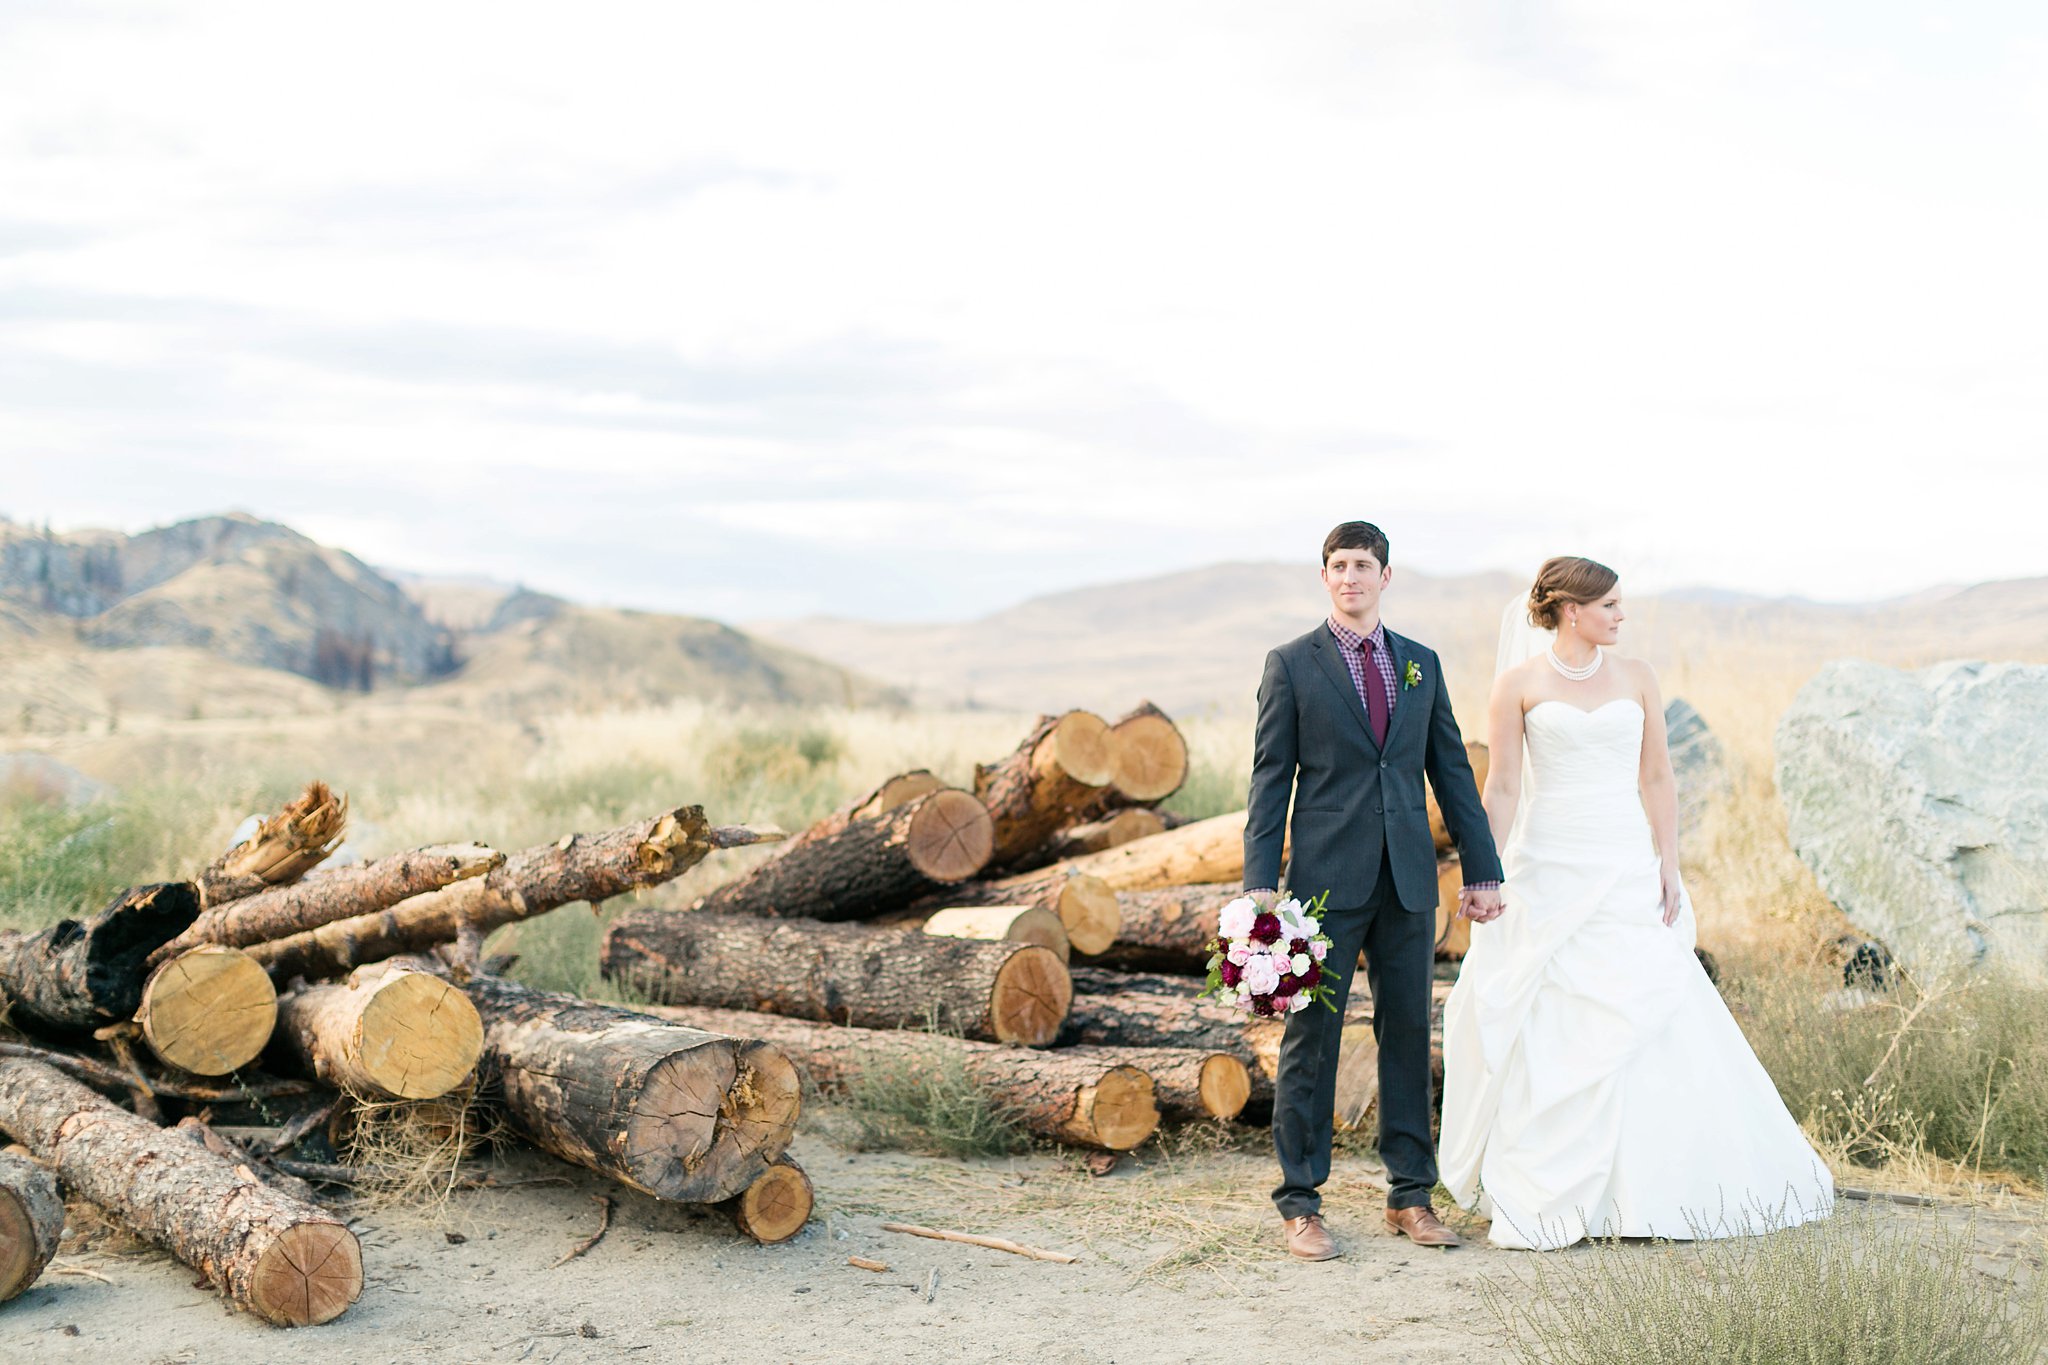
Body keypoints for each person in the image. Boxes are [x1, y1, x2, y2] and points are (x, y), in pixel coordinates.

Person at [1438, 556, 1834, 1250]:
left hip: (1624, 862)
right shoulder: (1519, 684)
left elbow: (1657, 775)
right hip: (1550, 864)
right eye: (1610, 605)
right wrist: (1486, 871)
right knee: (1552, 1017)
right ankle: (1562, 1193)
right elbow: (1501, 787)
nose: (1621, 616)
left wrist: (1668, 863)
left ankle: (1662, 1185)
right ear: (1569, 608)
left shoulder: (1639, 676)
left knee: (1651, 1005)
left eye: (1621, 605)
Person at [1244, 521, 1503, 1260]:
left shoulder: (1419, 663)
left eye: (1363, 564)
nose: (1350, 575)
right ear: (1324, 576)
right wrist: (1261, 888)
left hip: (1409, 881)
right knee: (1311, 1041)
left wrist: (1482, 870)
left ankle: (1410, 1195)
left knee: (1408, 1035)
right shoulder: (1292, 664)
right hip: (1323, 885)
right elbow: (1270, 779)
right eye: (1338, 564)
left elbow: (1451, 771)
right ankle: (1300, 1202)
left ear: (1386, 576)